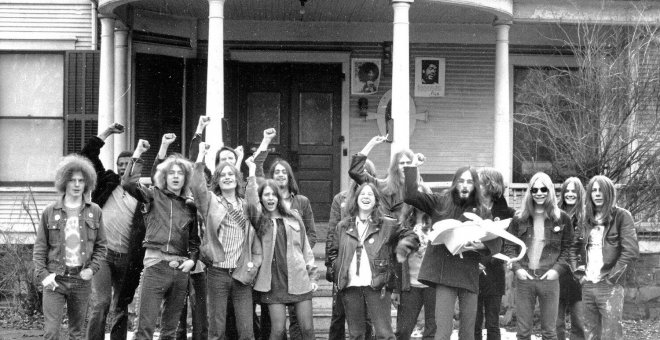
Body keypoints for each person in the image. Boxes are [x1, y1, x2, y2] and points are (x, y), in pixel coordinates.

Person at [403, 164, 501, 340]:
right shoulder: (440, 202)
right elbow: (410, 196)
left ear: (475, 186)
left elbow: (495, 241)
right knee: (443, 332)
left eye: (469, 182)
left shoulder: (483, 211)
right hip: (444, 275)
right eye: (461, 181)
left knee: (468, 333)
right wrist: (412, 168)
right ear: (455, 183)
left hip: (469, 275)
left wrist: (481, 246)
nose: (464, 185)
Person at [122, 135, 201, 340]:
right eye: (171, 173)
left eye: (180, 173)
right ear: (164, 177)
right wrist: (138, 154)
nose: (175, 176)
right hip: (155, 265)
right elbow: (129, 183)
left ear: (185, 178)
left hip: (180, 268)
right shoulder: (152, 196)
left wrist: (191, 261)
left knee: (170, 331)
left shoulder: (189, 206)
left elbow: (194, 241)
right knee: (144, 329)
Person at [327, 182, 419, 340]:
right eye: (362, 194)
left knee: (384, 334)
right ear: (355, 199)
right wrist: (337, 270)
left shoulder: (387, 224)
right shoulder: (343, 226)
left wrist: (403, 247)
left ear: (376, 200)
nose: (366, 197)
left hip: (377, 285)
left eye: (370, 194)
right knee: (356, 334)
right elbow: (333, 252)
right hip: (350, 287)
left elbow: (411, 236)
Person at [80, 123, 146, 340]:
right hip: (102, 254)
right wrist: (107, 132)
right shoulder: (106, 180)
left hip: (128, 257)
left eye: (129, 164)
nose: (124, 167)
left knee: (121, 304)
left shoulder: (143, 194)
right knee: (101, 302)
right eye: (121, 164)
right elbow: (87, 154)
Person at [192, 141, 263, 340]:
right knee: (217, 330)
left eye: (231, 174)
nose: (227, 177)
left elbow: (255, 204)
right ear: (217, 180)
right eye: (222, 175)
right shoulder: (211, 202)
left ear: (237, 179)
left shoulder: (246, 205)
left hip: (242, 273)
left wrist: (252, 172)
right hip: (217, 272)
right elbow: (197, 188)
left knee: (246, 331)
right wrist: (200, 156)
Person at [33, 154, 107, 340]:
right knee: (51, 333)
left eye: (81, 181)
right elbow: (40, 248)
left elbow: (101, 246)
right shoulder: (50, 212)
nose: (76, 185)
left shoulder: (95, 211)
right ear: (64, 182)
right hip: (55, 278)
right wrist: (43, 275)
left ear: (86, 183)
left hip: (81, 280)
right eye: (72, 180)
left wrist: (92, 269)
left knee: (77, 333)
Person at [246, 154, 318, 340]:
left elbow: (305, 250)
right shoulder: (260, 221)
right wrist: (252, 173)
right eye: (266, 195)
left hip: (298, 278)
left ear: (279, 198)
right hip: (273, 282)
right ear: (261, 199)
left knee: (307, 330)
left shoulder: (294, 216)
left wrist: (312, 275)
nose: (270, 198)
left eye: (273, 195)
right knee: (277, 331)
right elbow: (251, 201)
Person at [503, 172, 574, 340]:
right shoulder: (519, 218)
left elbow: (568, 248)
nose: (539, 193)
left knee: (550, 332)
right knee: (523, 333)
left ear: (549, 191)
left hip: (549, 279)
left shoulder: (561, 218)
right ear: (530, 192)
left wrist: (557, 270)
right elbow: (509, 246)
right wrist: (517, 269)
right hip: (525, 279)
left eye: (543, 189)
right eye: (535, 190)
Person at [574, 175, 639, 340]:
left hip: (609, 285)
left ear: (609, 193)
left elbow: (630, 251)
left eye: (601, 190)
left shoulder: (622, 216)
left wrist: (611, 279)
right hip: (588, 284)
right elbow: (573, 248)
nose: (597, 194)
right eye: (594, 190)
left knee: (611, 335)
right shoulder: (585, 218)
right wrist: (579, 274)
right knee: (590, 334)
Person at [325, 160, 377, 340]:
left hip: (367, 270)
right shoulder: (340, 199)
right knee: (338, 314)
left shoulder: (375, 201)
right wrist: (332, 266)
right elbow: (332, 234)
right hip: (344, 267)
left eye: (365, 173)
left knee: (367, 319)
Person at [474, 168, 515, 340]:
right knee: (473, 322)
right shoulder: (470, 208)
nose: (476, 186)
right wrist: (475, 261)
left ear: (491, 185)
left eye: (480, 183)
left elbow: (507, 244)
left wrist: (488, 258)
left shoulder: (507, 213)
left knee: (492, 323)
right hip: (472, 270)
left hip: (494, 271)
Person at [392, 185, 436, 340]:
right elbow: (396, 261)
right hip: (410, 285)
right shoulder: (404, 225)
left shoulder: (438, 222)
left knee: (432, 331)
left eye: (423, 197)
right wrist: (396, 289)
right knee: (403, 331)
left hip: (433, 284)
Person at [349, 135, 420, 220]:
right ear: (395, 167)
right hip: (382, 230)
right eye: (401, 163)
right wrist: (371, 144)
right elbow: (355, 171)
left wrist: (412, 170)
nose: (405, 166)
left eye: (408, 163)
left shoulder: (418, 189)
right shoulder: (381, 185)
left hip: (406, 231)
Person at [556, 177, 586, 340]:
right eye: (567, 190)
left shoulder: (586, 216)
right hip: (557, 273)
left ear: (579, 193)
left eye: (573, 191)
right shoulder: (555, 214)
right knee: (555, 324)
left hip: (578, 275)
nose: (569, 194)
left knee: (579, 323)